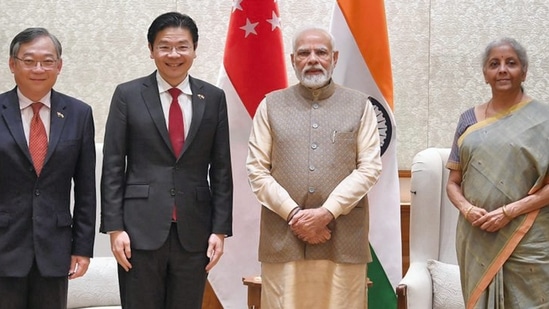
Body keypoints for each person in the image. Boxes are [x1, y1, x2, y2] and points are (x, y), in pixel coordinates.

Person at [100, 12, 233, 309]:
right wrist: (114, 228)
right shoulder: (128, 95)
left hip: (194, 231)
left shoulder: (213, 98)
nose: (174, 54)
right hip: (138, 231)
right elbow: (112, 166)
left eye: (182, 46)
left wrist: (220, 229)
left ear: (195, 50)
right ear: (151, 50)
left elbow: (222, 168)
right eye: (164, 46)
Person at [246, 27, 382, 309]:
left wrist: (327, 212)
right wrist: (296, 216)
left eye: (320, 52)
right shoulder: (270, 105)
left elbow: (369, 168)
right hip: (283, 239)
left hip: (343, 237)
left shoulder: (360, 105)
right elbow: (257, 171)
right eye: (304, 53)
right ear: (293, 59)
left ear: (334, 57)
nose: (313, 59)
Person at [446, 37, 549, 308]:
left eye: (511, 63)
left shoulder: (545, 120)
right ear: (485, 75)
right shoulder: (468, 120)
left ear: (524, 71)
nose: (502, 69)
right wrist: (467, 209)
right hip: (476, 235)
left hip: (529, 238)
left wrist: (510, 212)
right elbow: (453, 183)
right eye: (494, 64)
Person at [0, 27, 96, 308]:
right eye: (29, 60)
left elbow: (86, 187)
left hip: (55, 248)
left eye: (47, 61)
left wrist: (82, 247)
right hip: (3, 245)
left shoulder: (79, 113)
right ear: (12, 64)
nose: (38, 68)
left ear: (59, 66)